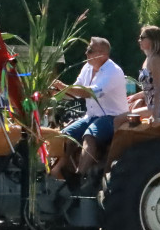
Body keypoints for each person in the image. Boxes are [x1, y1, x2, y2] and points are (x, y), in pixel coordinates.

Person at [49, 37, 127, 178]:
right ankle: (58, 170)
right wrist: (55, 93)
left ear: (102, 54)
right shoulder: (87, 68)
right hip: (91, 116)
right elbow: (75, 92)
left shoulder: (114, 71)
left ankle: (80, 176)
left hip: (112, 116)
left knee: (89, 135)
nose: (86, 53)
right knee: (65, 135)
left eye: (90, 50)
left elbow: (89, 92)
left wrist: (64, 87)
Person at [127, 25, 160, 124]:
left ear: (153, 40)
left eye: (142, 38)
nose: (139, 40)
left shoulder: (156, 59)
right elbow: (150, 88)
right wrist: (135, 97)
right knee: (125, 114)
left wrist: (155, 116)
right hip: (153, 105)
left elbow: (158, 88)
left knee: (122, 118)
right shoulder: (148, 59)